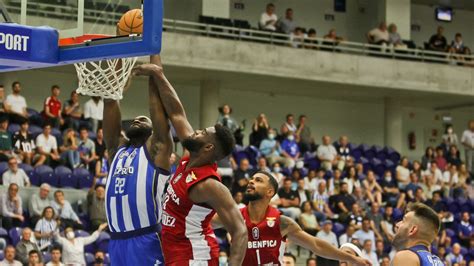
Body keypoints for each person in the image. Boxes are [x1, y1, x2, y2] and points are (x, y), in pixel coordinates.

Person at [133, 56, 247, 265]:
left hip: (195, 257)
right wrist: (158, 72)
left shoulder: (210, 184)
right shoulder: (190, 156)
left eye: (203, 132)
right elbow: (176, 112)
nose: (197, 131)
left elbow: (240, 230)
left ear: (208, 147)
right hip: (175, 252)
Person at [102, 55, 173, 266]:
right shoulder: (117, 149)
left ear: (154, 131)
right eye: (135, 119)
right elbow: (109, 100)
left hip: (146, 238)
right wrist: (120, 64)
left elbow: (158, 107)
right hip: (116, 242)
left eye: (145, 119)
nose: (138, 118)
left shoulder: (157, 149)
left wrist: (154, 66)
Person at [212, 171, 370, 266]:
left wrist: (352, 259)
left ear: (270, 192)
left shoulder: (282, 222)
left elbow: (316, 245)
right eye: (251, 179)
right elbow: (200, 223)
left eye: (258, 180)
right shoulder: (234, 217)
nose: (251, 181)